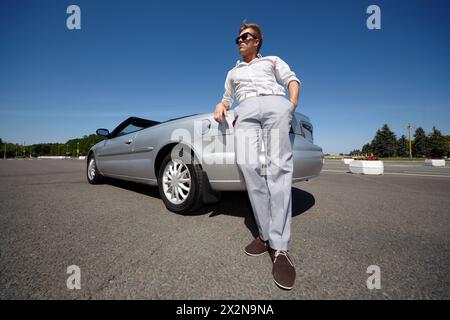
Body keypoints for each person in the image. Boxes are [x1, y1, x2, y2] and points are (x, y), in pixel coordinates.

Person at [213, 22, 301, 290]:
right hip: (246, 110)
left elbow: (292, 80)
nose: (240, 41)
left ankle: (280, 247)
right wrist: (221, 104)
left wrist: (290, 106)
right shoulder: (232, 72)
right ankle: (264, 235)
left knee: (278, 170)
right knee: (250, 167)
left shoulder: (272, 61)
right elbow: (227, 98)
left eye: (245, 37)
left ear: (257, 41)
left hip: (275, 104)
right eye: (238, 38)